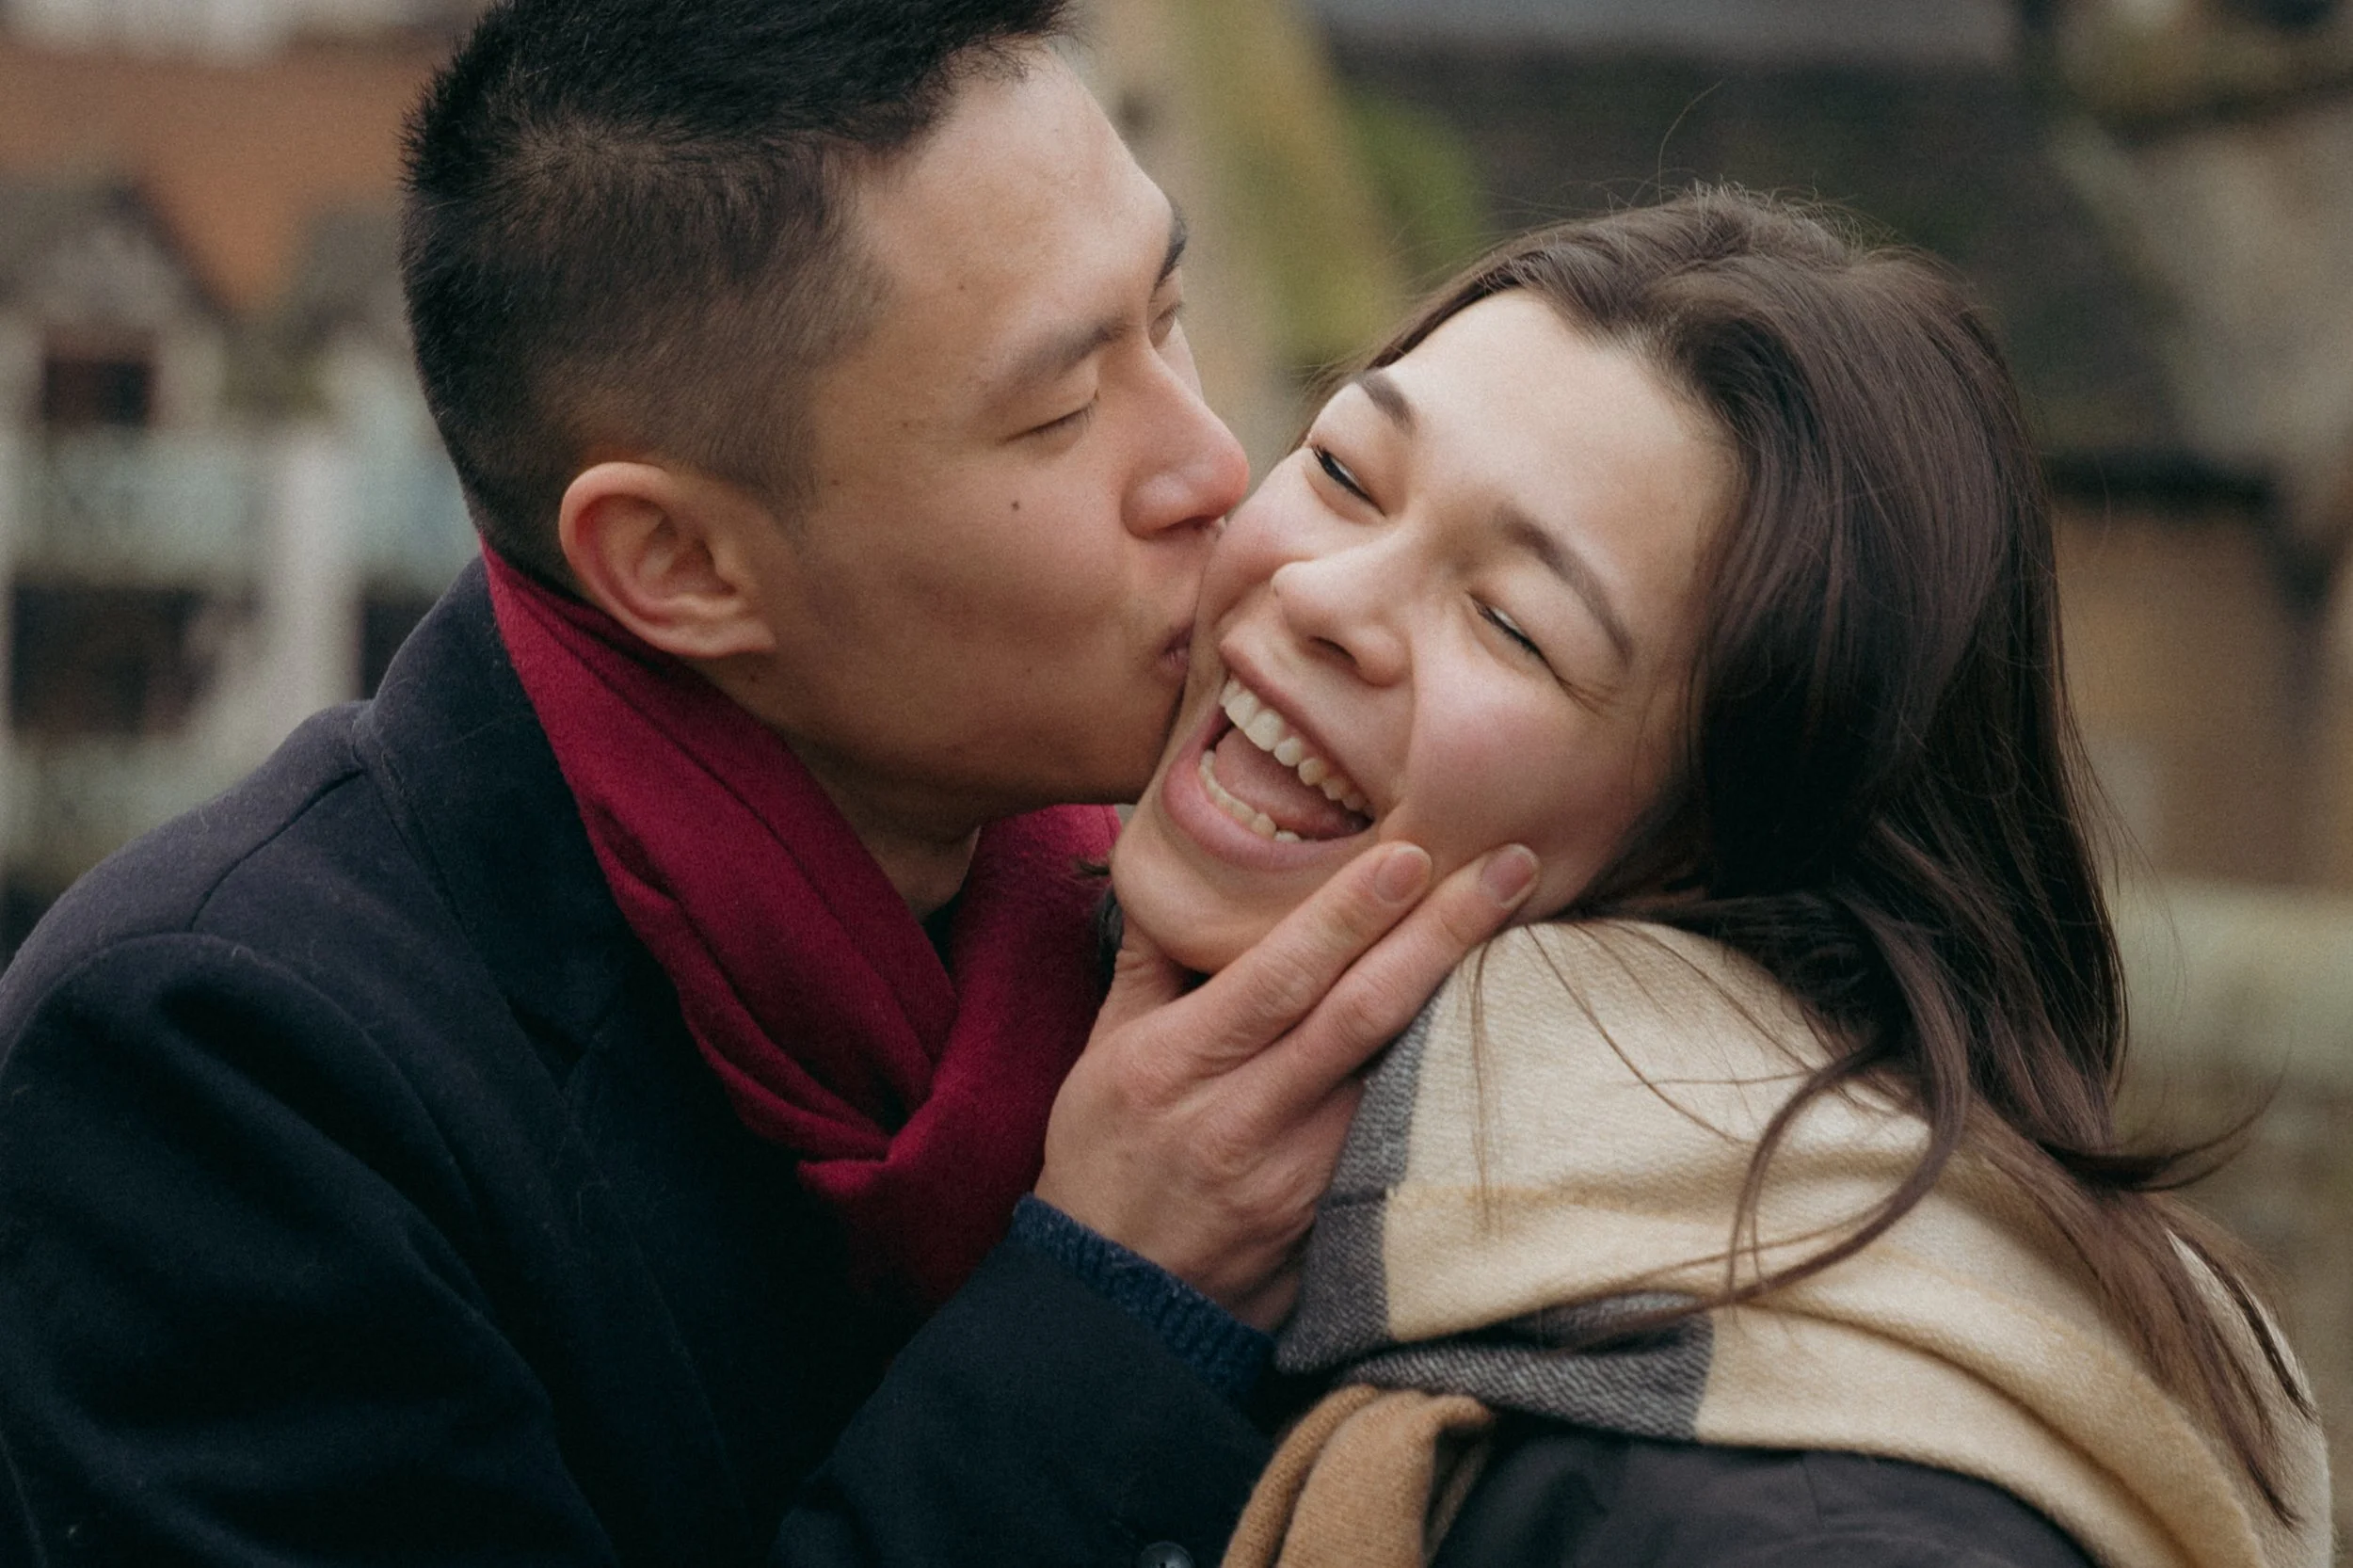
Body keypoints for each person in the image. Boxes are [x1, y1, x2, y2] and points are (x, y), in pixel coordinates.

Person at [0, 3, 1537, 1563]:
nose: (1218, 465)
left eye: (1173, 307)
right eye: (1066, 409)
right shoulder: (225, 1076)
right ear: (679, 564)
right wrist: (1118, 1293)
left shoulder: (1173, 920)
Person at [1105, 190, 2329, 1568]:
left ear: (1703, 852)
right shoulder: (1058, 1084)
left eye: (1512, 622)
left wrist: (1099, 1318)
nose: (1327, 597)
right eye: (1342, 472)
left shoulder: (1810, 1525)